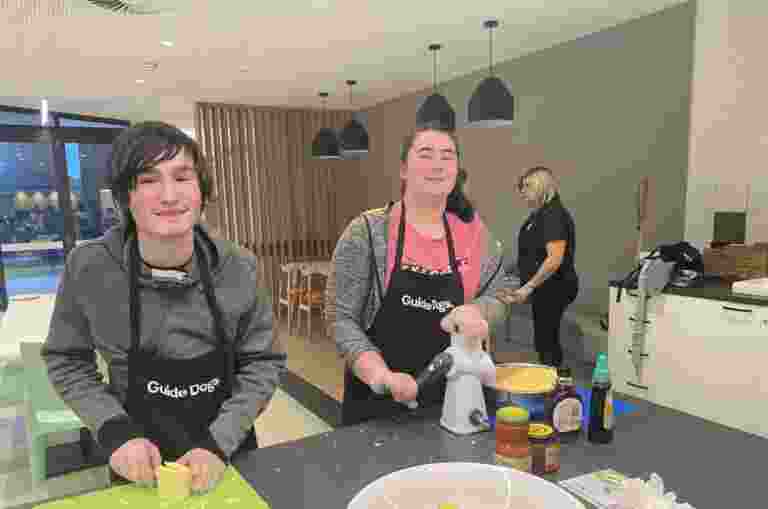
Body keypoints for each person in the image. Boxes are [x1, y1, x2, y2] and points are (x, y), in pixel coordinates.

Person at [41, 121, 286, 493]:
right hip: (135, 463)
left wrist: (219, 442)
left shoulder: (240, 267)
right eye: (148, 180)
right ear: (125, 197)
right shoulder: (90, 269)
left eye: (183, 177)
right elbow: (67, 359)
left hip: (228, 455)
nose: (169, 195)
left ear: (202, 192)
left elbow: (263, 362)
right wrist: (114, 431)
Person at [326, 125, 509, 426]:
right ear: (403, 169)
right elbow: (339, 317)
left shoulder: (474, 235)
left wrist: (478, 310)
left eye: (448, 156)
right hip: (378, 404)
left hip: (457, 399)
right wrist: (380, 375)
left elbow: (500, 294)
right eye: (426, 154)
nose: (438, 164)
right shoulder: (367, 233)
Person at [497, 166, 578, 367]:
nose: (522, 191)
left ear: (544, 186)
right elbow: (531, 254)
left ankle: (553, 386)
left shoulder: (553, 215)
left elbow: (554, 259)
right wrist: (504, 273)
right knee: (543, 338)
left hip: (555, 286)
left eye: (528, 185)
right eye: (521, 186)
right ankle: (549, 380)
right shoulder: (539, 215)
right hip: (544, 286)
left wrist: (528, 287)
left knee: (546, 340)